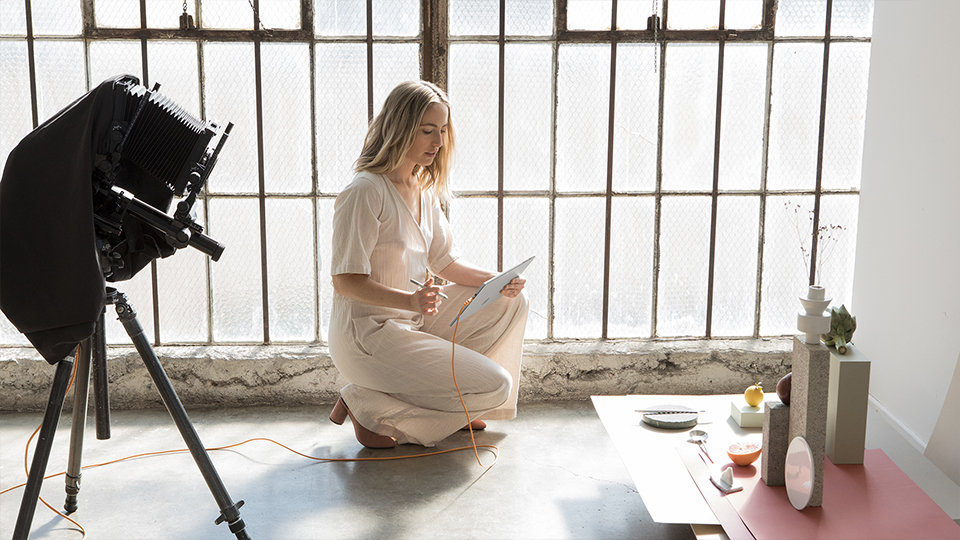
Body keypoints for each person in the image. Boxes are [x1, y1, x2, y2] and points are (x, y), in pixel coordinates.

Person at [327, 80, 529, 448]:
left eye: (442, 130)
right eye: (427, 131)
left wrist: (500, 280)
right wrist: (408, 302)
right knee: (496, 385)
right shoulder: (364, 192)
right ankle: (370, 404)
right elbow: (345, 281)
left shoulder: (421, 187)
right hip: (368, 335)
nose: (437, 142)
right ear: (401, 129)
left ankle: (449, 404)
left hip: (413, 322)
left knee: (510, 300)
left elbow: (445, 261)